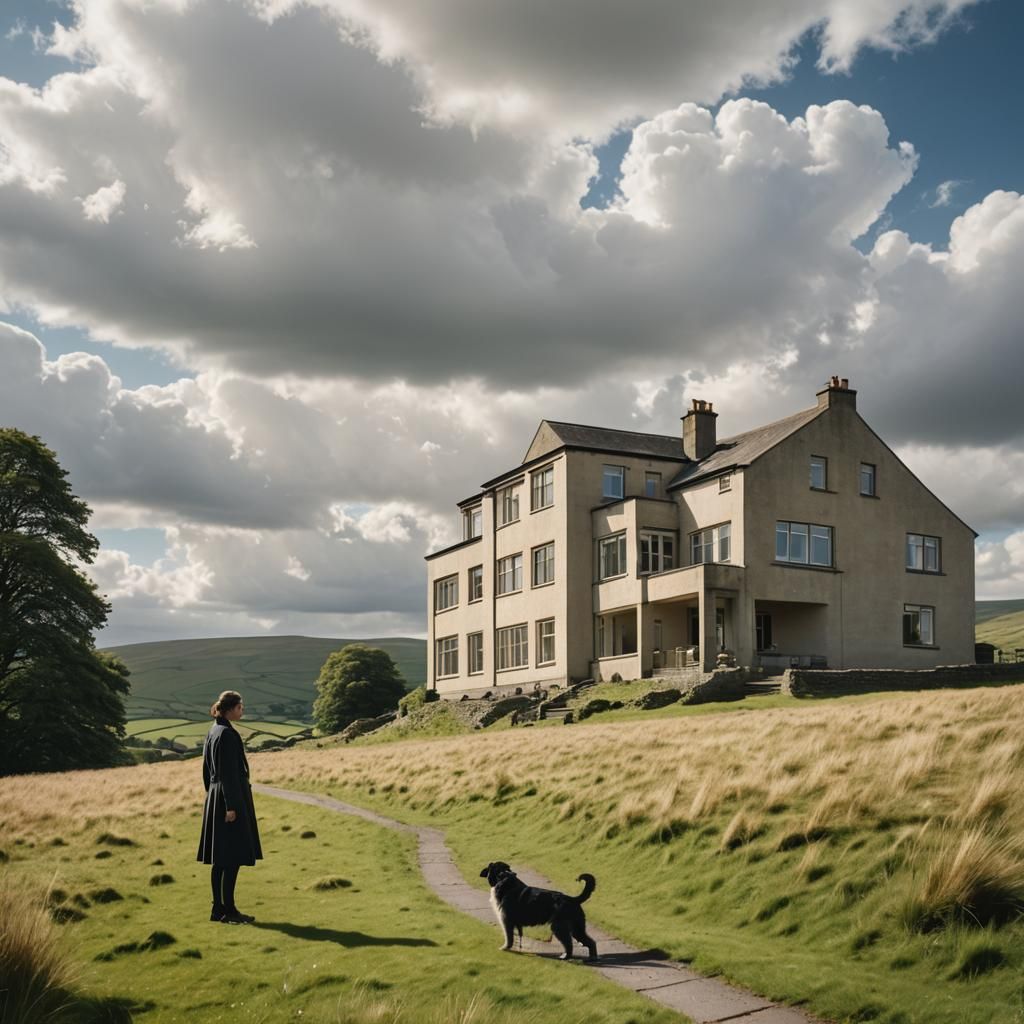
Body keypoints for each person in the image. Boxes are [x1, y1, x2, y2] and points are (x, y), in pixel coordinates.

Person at [197, 690, 263, 924]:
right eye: (240, 707)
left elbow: (207, 770)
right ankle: (229, 911)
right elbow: (228, 774)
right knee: (232, 856)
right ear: (231, 709)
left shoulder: (214, 730)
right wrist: (232, 806)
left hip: (216, 797)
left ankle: (218, 909)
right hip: (229, 801)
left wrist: (212, 795)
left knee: (220, 858)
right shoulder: (227, 734)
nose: (242, 710)